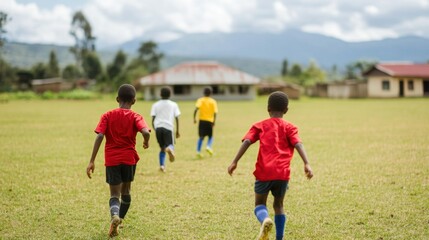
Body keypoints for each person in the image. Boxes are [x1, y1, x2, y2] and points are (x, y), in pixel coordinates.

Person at [227, 91, 313, 240]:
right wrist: (307, 163)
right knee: (279, 205)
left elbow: (247, 141)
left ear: (268, 108)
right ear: (286, 110)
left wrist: (235, 161)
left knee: (259, 204)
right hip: (282, 173)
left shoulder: (259, 126)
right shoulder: (290, 127)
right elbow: (298, 143)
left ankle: (265, 220)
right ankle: (279, 238)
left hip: (264, 172)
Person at [86, 84, 151, 238]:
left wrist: (92, 161)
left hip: (112, 160)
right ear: (134, 101)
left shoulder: (107, 115)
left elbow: (100, 136)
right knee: (126, 192)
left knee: (115, 195)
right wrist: (146, 142)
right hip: (129, 159)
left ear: (117, 99)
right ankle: (119, 219)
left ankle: (114, 216)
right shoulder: (136, 116)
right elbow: (145, 131)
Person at [150, 87, 181, 172]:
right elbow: (177, 118)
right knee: (170, 145)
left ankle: (162, 166)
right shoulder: (174, 104)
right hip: (168, 127)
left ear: (160, 94)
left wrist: (155, 128)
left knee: (162, 148)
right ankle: (170, 149)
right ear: (170, 94)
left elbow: (153, 118)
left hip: (158, 128)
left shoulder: (155, 105)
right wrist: (177, 131)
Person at [193, 87, 218, 158]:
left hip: (202, 121)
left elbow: (196, 109)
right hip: (210, 121)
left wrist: (194, 118)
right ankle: (208, 146)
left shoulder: (200, 100)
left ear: (203, 93)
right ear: (211, 93)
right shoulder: (213, 101)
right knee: (210, 136)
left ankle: (198, 151)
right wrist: (214, 121)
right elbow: (215, 113)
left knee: (201, 137)